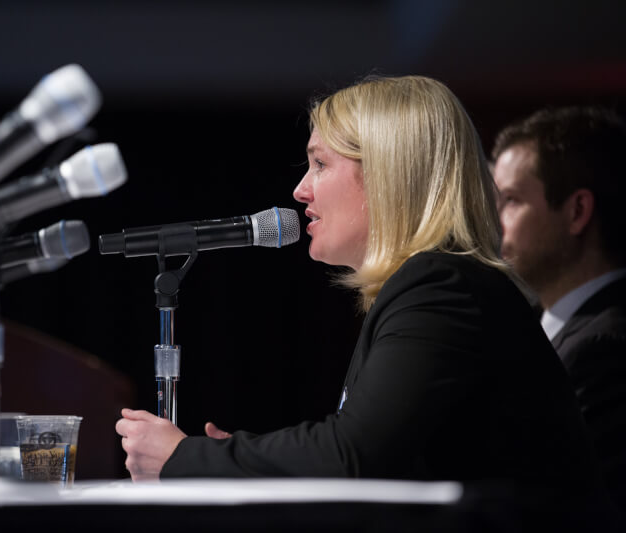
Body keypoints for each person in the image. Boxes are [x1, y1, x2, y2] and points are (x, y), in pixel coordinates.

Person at [115, 76, 601, 502]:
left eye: (320, 164)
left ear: (388, 173)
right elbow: (375, 462)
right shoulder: (439, 285)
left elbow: (352, 456)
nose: (300, 190)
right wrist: (234, 461)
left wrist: (188, 457)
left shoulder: (442, 286)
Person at [491, 106, 626, 510]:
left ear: (577, 212)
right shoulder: (538, 329)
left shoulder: (606, 347)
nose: (495, 223)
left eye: (510, 201)